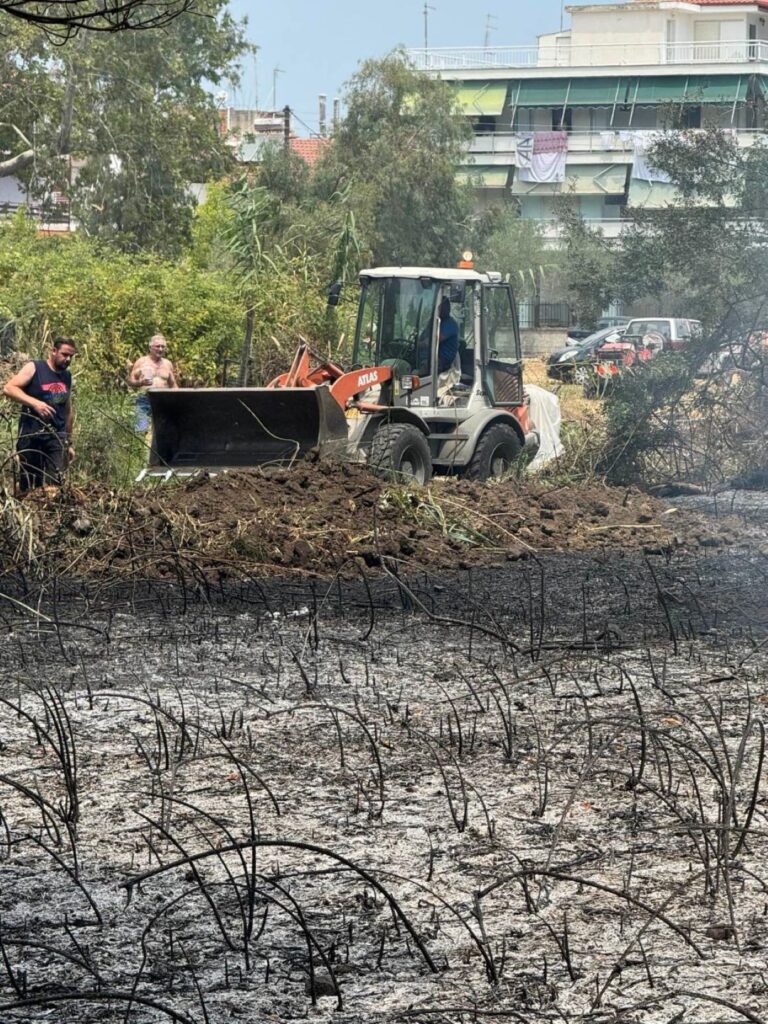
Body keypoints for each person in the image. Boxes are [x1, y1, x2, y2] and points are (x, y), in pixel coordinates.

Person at [3, 336, 76, 493]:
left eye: (71, 356)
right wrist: (34, 403)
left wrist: (69, 442)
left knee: (55, 487)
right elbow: (9, 388)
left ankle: (51, 515)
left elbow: (68, 409)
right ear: (54, 351)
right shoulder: (35, 368)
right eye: (64, 354)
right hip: (31, 436)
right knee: (29, 486)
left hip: (56, 437)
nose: (68, 359)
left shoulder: (67, 376)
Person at [128, 334, 178, 432]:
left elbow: (173, 384)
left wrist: (178, 398)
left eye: (163, 347)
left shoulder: (168, 364)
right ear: (150, 347)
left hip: (162, 400)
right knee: (141, 429)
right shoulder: (142, 362)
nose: (160, 349)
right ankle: (140, 447)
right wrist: (140, 382)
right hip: (145, 398)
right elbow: (131, 380)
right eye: (157, 346)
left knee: (163, 430)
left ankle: (160, 447)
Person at [437, 297, 460, 373]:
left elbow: (436, 340)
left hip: (443, 361)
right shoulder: (436, 322)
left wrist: (422, 343)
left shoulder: (451, 324)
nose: (439, 309)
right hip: (432, 358)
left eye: (442, 307)